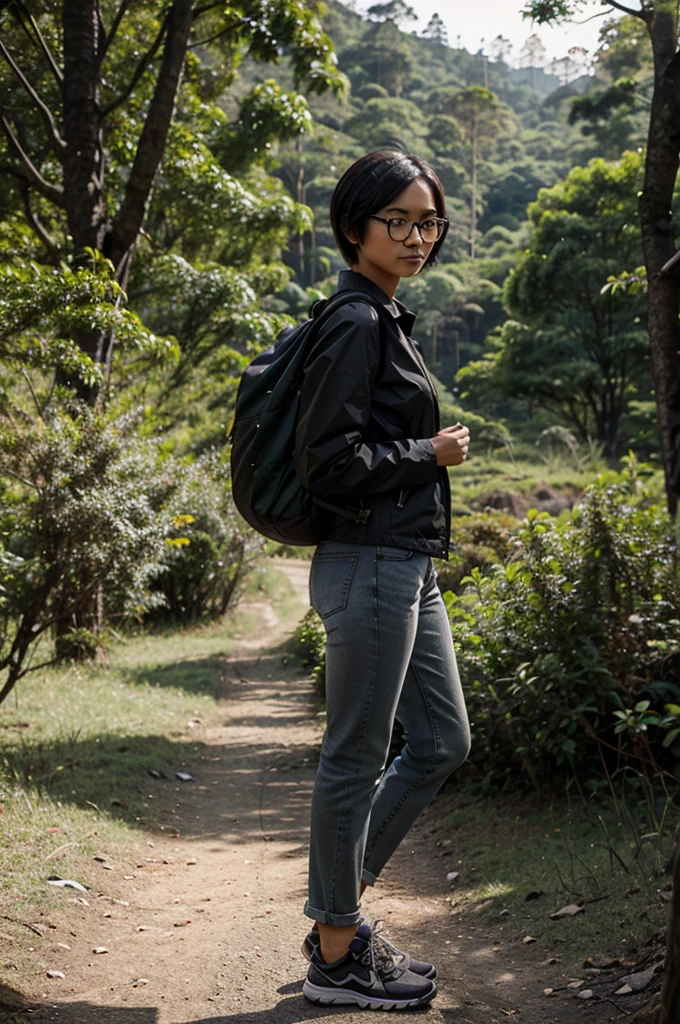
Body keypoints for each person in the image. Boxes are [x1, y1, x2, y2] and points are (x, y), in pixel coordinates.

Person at [293, 150, 472, 1010]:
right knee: (355, 756)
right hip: (367, 560)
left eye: (427, 221)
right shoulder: (357, 321)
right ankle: (335, 954)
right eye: (396, 220)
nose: (415, 236)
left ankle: (336, 908)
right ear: (355, 225)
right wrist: (427, 452)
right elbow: (329, 462)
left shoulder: (388, 316)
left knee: (442, 741)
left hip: (407, 562)